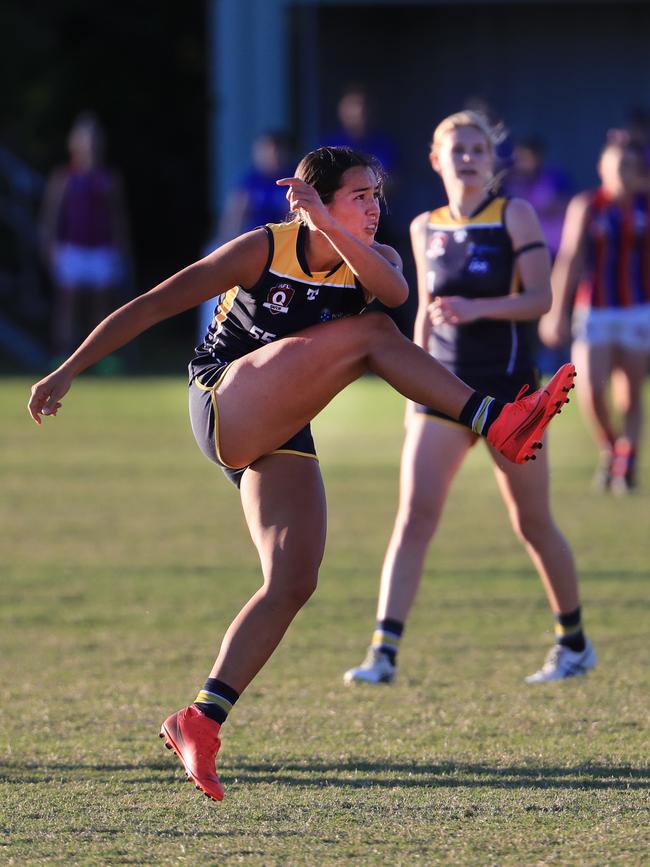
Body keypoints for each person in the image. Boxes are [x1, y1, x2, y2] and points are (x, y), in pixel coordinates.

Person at [29, 145, 575, 803]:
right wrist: (67, 369)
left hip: (279, 423)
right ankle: (495, 417)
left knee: (293, 577)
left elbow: (399, 292)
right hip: (223, 401)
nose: (376, 207)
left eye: (377, 195)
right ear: (315, 199)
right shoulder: (264, 247)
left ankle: (199, 717)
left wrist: (336, 226)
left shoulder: (377, 261)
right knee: (370, 334)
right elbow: (153, 304)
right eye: (361, 196)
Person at [343, 112, 595, 690]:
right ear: (436, 158)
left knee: (532, 522)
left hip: (511, 396)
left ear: (491, 158)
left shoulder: (515, 214)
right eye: (456, 149)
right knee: (413, 518)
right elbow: (426, 313)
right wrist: (414, 391)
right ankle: (383, 652)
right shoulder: (424, 225)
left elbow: (540, 299)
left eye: (477, 148)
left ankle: (574, 643)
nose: (468, 158)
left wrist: (476, 309)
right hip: (444, 392)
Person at [540, 139, 650, 493]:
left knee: (630, 394)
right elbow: (570, 258)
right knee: (589, 390)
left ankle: (626, 462)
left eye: (629, 168)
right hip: (595, 311)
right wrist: (556, 311)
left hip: (636, 310)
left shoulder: (645, 206)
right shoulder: (588, 206)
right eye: (616, 167)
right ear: (602, 169)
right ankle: (611, 448)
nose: (622, 174)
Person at [40, 112, 131, 360]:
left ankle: (101, 357)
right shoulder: (64, 177)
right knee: (67, 302)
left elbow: (117, 217)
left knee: (101, 305)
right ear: (74, 143)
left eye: (93, 139)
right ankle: (63, 353)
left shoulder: (109, 178)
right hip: (72, 248)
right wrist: (49, 247)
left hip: (102, 248)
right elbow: (51, 216)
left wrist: (120, 250)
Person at [197, 131, 294, 340]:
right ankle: (213, 335)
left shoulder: (291, 183)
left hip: (282, 252)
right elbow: (233, 218)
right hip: (251, 250)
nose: (273, 155)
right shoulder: (249, 182)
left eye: (278, 150)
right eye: (268, 150)